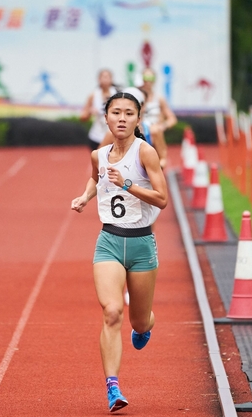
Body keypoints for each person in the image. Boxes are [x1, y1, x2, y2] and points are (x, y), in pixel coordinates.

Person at [71, 92, 168, 412]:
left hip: (142, 244)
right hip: (109, 241)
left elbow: (161, 198)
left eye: (129, 113)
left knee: (139, 322)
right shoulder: (99, 155)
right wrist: (85, 197)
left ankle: (145, 327)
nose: (122, 118)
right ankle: (113, 387)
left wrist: (128, 185)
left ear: (139, 120)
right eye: (116, 112)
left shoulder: (146, 153)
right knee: (112, 311)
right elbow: (95, 177)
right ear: (107, 118)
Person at [98, 87, 168, 169]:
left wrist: (149, 169)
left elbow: (163, 158)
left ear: (143, 106)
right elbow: (99, 158)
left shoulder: (153, 131)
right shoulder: (111, 134)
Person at [139, 68, 177, 168]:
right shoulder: (136, 95)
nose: (148, 81)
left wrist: (163, 126)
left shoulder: (159, 98)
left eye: (150, 78)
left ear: (154, 80)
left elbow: (172, 119)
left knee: (155, 130)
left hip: (154, 133)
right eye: (145, 78)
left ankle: (162, 159)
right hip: (139, 129)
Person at [80, 69, 117, 151]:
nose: (105, 80)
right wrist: (90, 111)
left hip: (113, 136)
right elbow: (83, 117)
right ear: (99, 79)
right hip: (96, 136)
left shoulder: (117, 94)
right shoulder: (93, 95)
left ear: (111, 79)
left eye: (107, 77)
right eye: (103, 77)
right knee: (97, 161)